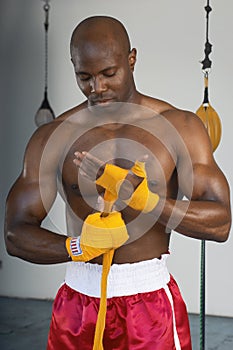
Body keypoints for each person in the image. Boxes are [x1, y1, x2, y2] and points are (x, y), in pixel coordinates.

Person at [4, 15, 231, 350]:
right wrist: (77, 247)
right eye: (85, 76)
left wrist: (150, 203)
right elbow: (15, 233)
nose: (97, 88)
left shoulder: (180, 126)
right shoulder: (53, 136)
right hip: (78, 303)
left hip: (148, 304)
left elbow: (221, 223)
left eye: (109, 74)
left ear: (132, 59)